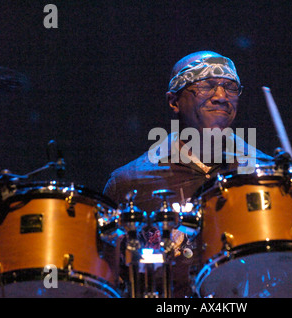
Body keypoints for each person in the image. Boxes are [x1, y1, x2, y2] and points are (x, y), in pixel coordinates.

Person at [103, 50, 272, 297]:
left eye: (230, 87)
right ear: (174, 101)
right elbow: (109, 278)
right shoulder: (128, 182)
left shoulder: (265, 173)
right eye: (206, 86)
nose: (221, 96)